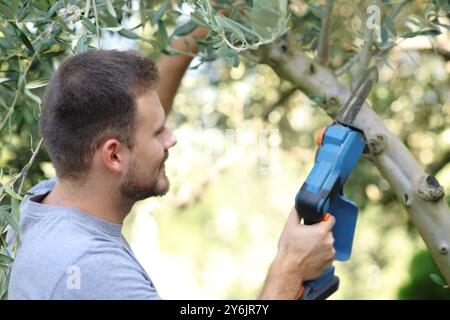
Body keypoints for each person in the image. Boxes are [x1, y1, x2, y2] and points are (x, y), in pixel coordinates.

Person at [7, 27, 335, 300]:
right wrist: (289, 268)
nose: (171, 138)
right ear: (114, 155)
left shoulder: (42, 204)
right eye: (159, 132)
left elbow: (133, 120)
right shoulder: (91, 269)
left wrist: (194, 33)